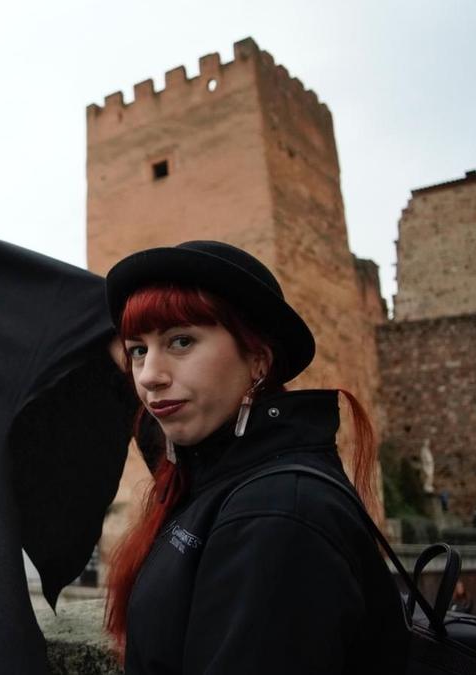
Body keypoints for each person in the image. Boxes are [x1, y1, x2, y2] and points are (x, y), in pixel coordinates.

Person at [102, 241, 409, 673]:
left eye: (181, 341)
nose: (150, 375)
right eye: (138, 349)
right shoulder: (213, 475)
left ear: (259, 361)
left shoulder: (275, 514)